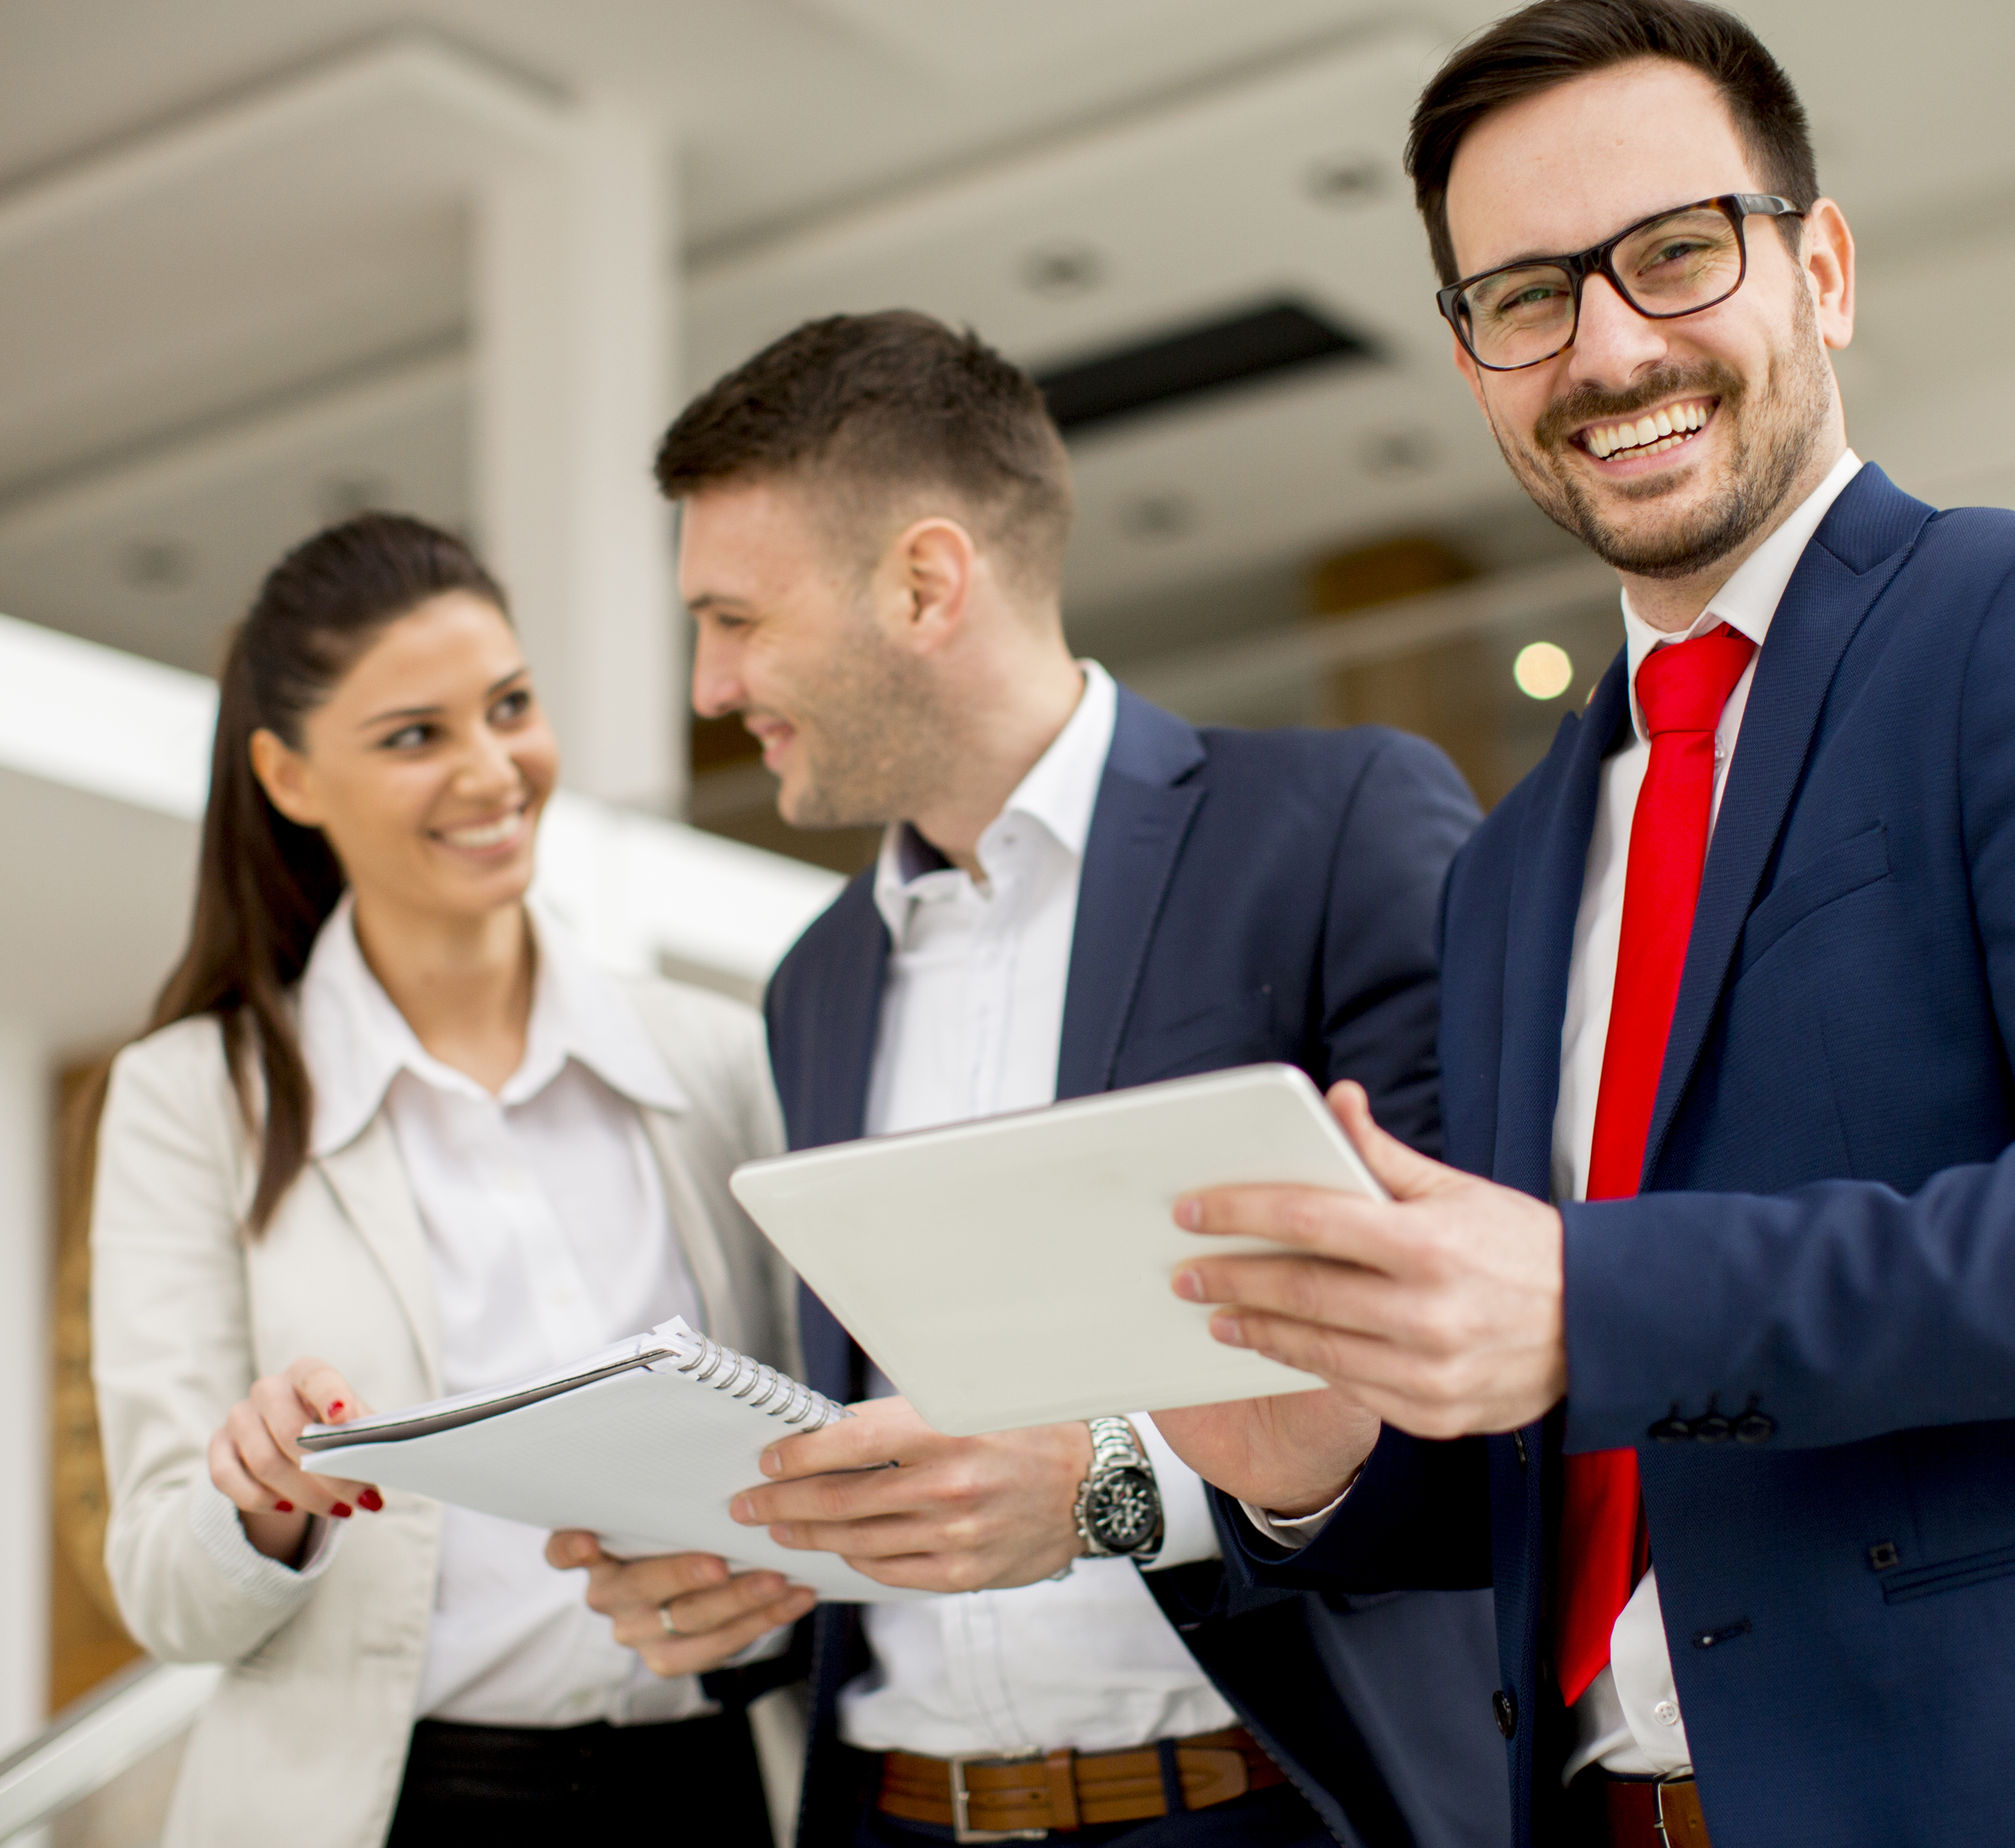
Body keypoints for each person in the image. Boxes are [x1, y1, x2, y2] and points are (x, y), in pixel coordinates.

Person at [1153, 3, 2015, 1845]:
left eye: (1673, 254)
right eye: (1525, 300)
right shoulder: (1510, 871)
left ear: (1822, 267)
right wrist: (1323, 1463)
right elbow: (1577, 1444)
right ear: (1478, 364)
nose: (1610, 345)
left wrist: (1589, 1296)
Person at [548, 310, 1504, 1848]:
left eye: (736, 619)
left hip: (1257, 1806)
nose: (711, 686)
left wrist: (1103, 1487)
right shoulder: (817, 980)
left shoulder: (1330, 833)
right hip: (893, 1815)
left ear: (927, 583)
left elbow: (1480, 1391)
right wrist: (770, 1574)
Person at [89, 513, 798, 1848]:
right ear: (289, 777)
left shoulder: (711, 1057)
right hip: (399, 1807)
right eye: (415, 736)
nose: (492, 770)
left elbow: (816, 1435)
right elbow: (165, 1595)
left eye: (511, 708)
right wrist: (261, 1505)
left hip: (713, 1787)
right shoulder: (195, 1098)